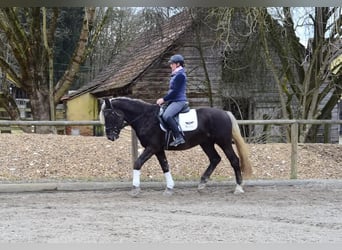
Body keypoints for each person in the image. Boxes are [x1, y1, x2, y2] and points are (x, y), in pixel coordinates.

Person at [156, 54, 187, 147]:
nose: (170, 66)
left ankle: (179, 137)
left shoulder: (180, 75)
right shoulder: (175, 75)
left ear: (178, 64)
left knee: (167, 115)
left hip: (179, 101)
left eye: (172, 64)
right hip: (173, 100)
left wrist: (163, 99)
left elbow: (175, 92)